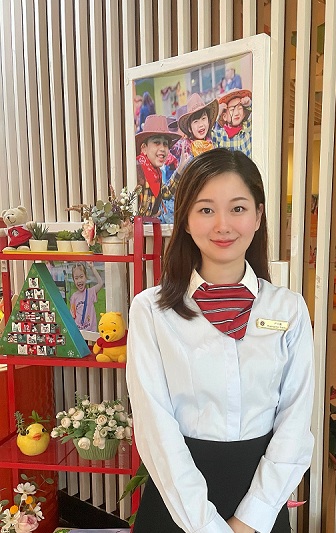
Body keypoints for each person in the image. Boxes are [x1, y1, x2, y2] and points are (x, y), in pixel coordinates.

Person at [126, 148, 315, 533]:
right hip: (178, 502)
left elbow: (295, 422)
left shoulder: (289, 309)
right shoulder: (151, 310)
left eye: (238, 208)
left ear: (258, 216)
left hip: (261, 501)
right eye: (206, 209)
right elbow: (154, 426)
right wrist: (207, 526)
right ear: (186, 220)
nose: (223, 225)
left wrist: (250, 519)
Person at [135, 114, 190, 218]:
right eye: (156, 143)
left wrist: (181, 167)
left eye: (165, 144)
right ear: (144, 148)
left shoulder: (156, 173)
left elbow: (166, 193)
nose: (162, 149)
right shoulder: (136, 171)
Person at [170, 93, 219, 162]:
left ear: (208, 121)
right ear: (189, 128)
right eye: (196, 121)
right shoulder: (185, 146)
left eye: (203, 118)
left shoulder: (214, 141)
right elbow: (170, 147)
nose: (201, 124)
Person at [212, 89, 252, 157]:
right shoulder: (220, 135)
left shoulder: (247, 128)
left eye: (240, 108)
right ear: (224, 116)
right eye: (232, 110)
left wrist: (249, 105)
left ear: (244, 113)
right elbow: (209, 133)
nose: (236, 113)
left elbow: (258, 115)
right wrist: (217, 114)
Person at [70, 262, 103, 332]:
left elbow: (100, 283)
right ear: (74, 280)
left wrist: (92, 268)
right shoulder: (74, 297)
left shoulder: (91, 292)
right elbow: (72, 315)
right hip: (79, 332)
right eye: (76, 278)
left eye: (81, 277)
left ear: (86, 277)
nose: (79, 280)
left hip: (90, 331)